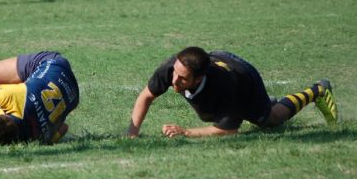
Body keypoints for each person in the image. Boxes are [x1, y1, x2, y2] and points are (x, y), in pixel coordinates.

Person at [127, 47, 338, 138]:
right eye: (175, 73)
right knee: (209, 112)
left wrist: (186, 132)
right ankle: (253, 107)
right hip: (219, 58)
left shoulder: (225, 86)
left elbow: (227, 131)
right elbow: (146, 96)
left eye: (182, 78)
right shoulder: (174, 67)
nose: (174, 80)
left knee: (270, 120)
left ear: (198, 79)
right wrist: (132, 135)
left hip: (244, 76)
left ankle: (317, 90)